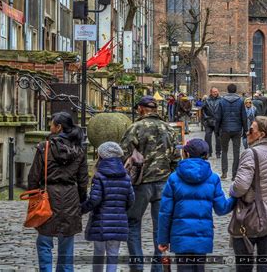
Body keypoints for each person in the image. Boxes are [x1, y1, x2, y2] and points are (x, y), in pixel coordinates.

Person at [121, 95, 180, 272]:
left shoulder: (135, 127)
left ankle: (137, 266)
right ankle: (157, 267)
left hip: (141, 182)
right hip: (164, 182)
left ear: (141, 109)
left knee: (133, 223)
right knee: (159, 227)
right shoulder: (168, 128)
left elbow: (124, 153)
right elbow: (176, 158)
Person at [157, 138, 235, 271]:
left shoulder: (174, 178)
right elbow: (222, 208)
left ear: (186, 154)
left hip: (180, 237)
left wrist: (163, 240)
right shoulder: (213, 178)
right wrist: (236, 196)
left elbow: (165, 213)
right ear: (205, 155)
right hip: (202, 236)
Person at [28, 111, 88, 272]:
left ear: (58, 127)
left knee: (44, 243)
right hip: (70, 197)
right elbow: (83, 181)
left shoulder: (44, 147)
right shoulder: (79, 150)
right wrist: (81, 202)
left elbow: (33, 177)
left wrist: (34, 200)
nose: (50, 126)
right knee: (66, 245)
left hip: (47, 197)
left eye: (51, 123)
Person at [230, 116, 267, 272]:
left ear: (261, 134)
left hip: (251, 216)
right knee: (266, 265)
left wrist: (231, 190)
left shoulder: (251, 153)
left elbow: (240, 186)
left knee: (244, 265)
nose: (247, 133)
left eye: (251, 130)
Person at [81, 141, 135, 272]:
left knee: (99, 254)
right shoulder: (125, 176)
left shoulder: (99, 176)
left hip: (100, 221)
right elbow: (131, 199)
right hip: (119, 221)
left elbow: (94, 200)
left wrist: (80, 209)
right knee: (113, 254)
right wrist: (121, 211)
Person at [215, 83, 248, 180]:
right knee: (236, 152)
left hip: (225, 129)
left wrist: (217, 130)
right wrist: (245, 129)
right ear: (235, 90)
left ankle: (224, 173)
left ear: (228, 90)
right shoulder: (241, 101)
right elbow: (244, 117)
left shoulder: (221, 101)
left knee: (224, 151)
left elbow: (218, 117)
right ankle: (234, 174)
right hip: (237, 129)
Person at [201, 87, 222, 158]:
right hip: (209, 121)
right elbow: (203, 110)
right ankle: (209, 152)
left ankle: (218, 152)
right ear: (211, 92)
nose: (215, 93)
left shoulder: (221, 100)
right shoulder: (207, 100)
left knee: (218, 138)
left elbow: (223, 110)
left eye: (216, 91)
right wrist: (206, 118)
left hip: (217, 121)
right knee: (207, 136)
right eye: (214, 92)